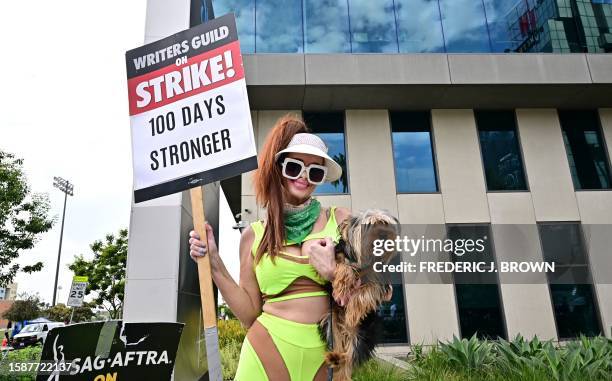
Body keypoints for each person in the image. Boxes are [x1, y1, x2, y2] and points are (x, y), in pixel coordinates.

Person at [189, 115, 353, 380]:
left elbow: (376, 289)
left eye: (315, 171)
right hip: (265, 352)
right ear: (280, 168)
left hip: (324, 357)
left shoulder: (342, 221)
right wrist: (214, 263)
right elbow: (249, 314)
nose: (303, 176)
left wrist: (335, 273)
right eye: (294, 167)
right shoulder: (254, 236)